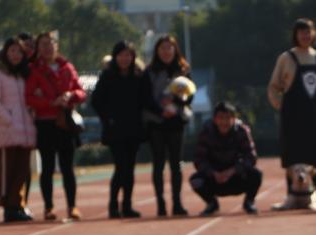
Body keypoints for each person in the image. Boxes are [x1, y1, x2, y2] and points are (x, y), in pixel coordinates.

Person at [268, 18, 316, 209]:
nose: (305, 36)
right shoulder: (286, 58)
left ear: (314, 34)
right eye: (301, 32)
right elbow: (274, 86)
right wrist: (280, 105)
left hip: (315, 114)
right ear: (295, 35)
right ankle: (292, 196)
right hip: (292, 115)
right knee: (293, 154)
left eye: (308, 32)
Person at [27, 32, 86, 220]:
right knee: (48, 167)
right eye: (43, 44)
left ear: (57, 45)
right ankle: (48, 207)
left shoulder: (67, 67)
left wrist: (71, 96)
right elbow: (29, 97)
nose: (47, 47)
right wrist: (50, 102)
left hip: (65, 122)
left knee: (68, 167)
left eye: (50, 43)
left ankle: (72, 206)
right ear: (38, 49)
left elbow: (81, 91)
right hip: (45, 122)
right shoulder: (34, 70)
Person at [0, 33, 36, 223]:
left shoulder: (23, 74)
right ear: (5, 52)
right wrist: (9, 120)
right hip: (5, 130)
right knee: (4, 171)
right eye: (12, 51)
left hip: (24, 131)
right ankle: (4, 207)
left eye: (20, 52)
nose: (16, 55)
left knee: (21, 170)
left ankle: (16, 205)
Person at [92, 40, 151, 219]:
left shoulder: (139, 76)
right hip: (114, 130)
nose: (125, 59)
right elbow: (96, 101)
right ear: (115, 57)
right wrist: (107, 118)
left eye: (128, 55)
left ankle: (127, 205)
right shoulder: (107, 76)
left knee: (130, 169)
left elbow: (147, 100)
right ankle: (113, 205)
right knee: (121, 167)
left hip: (134, 128)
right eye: (121, 55)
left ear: (133, 57)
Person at [144, 35, 193, 217]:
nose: (166, 51)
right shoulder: (149, 72)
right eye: (162, 48)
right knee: (158, 163)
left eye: (169, 48)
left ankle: (177, 203)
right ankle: (161, 204)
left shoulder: (183, 70)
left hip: (176, 121)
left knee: (176, 164)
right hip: (156, 122)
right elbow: (145, 97)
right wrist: (160, 110)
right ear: (157, 51)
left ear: (175, 50)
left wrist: (175, 105)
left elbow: (190, 94)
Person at [190, 102, 262, 216]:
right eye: (220, 118)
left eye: (228, 118)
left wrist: (233, 171)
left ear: (234, 119)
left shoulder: (242, 131)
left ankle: (249, 202)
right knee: (195, 180)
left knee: (256, 175)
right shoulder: (206, 133)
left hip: (236, 177)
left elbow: (251, 157)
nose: (224, 122)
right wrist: (213, 173)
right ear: (214, 119)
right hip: (214, 179)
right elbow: (199, 160)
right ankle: (211, 203)